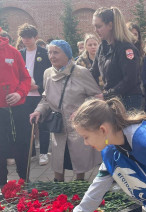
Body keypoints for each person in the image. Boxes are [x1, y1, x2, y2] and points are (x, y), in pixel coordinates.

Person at [29, 40, 102, 182]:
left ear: (67, 55)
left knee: (79, 162)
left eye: (56, 52)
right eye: (50, 52)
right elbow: (46, 98)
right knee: (58, 162)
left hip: (78, 127)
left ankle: (79, 187)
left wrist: (82, 111)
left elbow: (96, 97)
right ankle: (59, 190)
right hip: (59, 127)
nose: (51, 55)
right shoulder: (48, 73)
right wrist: (38, 111)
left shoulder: (81, 72)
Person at [90, 7, 142, 110]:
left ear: (110, 25)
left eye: (99, 26)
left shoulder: (126, 48)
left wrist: (106, 95)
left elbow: (130, 80)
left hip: (128, 101)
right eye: (94, 26)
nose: (95, 30)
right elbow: (93, 72)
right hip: (112, 100)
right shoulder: (102, 46)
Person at [0, 27, 31, 188]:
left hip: (17, 108)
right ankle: (2, 186)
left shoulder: (13, 52)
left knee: (22, 145)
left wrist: (19, 94)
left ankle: (24, 181)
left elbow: (26, 78)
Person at [18, 23, 51, 166]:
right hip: (24, 95)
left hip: (40, 94)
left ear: (35, 37)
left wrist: (38, 86)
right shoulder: (19, 54)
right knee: (26, 125)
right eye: (23, 37)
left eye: (29, 37)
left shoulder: (45, 53)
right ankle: (31, 153)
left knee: (42, 124)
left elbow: (49, 74)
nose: (26, 40)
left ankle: (43, 153)